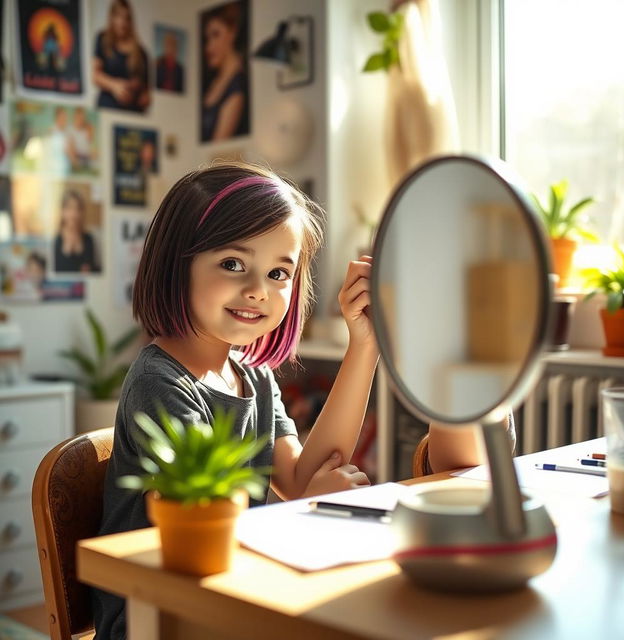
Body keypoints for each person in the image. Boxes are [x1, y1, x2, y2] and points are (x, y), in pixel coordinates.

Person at [91, 161, 514, 639]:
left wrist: (365, 345)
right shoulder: (160, 382)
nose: (257, 290)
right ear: (176, 263)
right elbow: (191, 534)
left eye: (278, 273)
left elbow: (301, 477)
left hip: (230, 588)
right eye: (233, 264)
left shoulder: (251, 375)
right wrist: (308, 506)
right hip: (159, 611)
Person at [200, 2, 249, 142]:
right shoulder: (213, 80)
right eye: (207, 39)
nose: (209, 47)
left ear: (232, 32)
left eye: (216, 35)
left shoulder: (237, 87)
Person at [92, 0, 150, 113]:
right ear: (112, 17)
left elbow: (146, 93)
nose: (122, 22)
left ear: (131, 21)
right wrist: (114, 86)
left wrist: (136, 91)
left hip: (133, 112)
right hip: (108, 108)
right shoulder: (102, 39)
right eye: (118, 16)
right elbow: (95, 76)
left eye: (126, 18)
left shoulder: (141, 52)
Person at [53, 190, 98, 273]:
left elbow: (96, 270)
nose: (74, 214)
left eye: (78, 209)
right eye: (69, 208)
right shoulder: (55, 241)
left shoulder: (89, 239)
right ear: (63, 211)